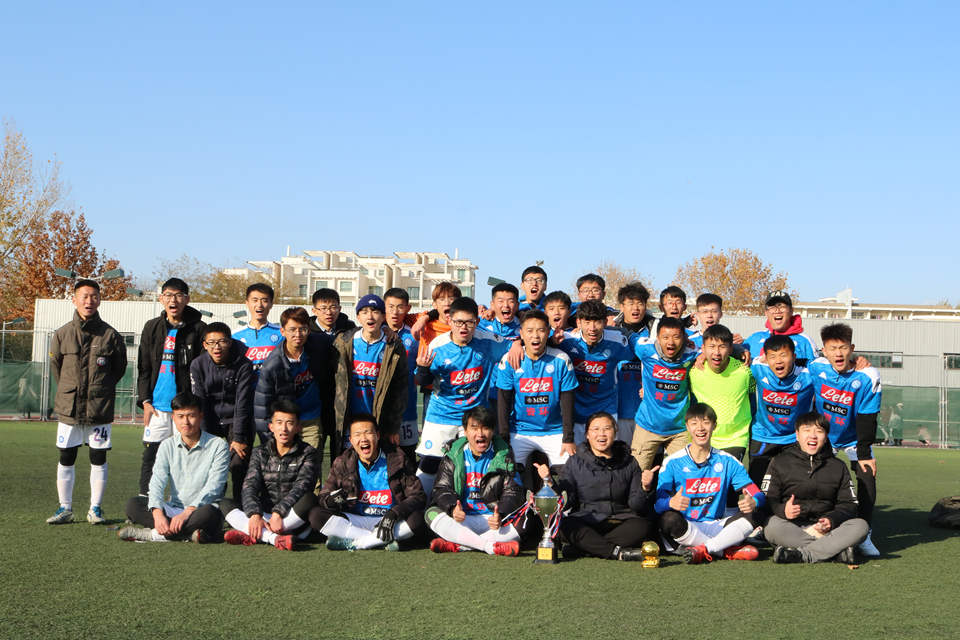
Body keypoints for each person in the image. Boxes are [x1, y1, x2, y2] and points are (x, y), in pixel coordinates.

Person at [46, 279, 128, 525]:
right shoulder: (62, 334)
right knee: (66, 457)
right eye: (84, 296)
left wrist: (99, 389)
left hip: (99, 408)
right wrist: (71, 390)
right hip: (69, 407)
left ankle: (95, 509)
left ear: (99, 300)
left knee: (98, 457)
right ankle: (65, 508)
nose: (89, 301)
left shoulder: (111, 335)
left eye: (94, 296)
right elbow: (57, 369)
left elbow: (119, 369)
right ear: (74, 299)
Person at [414, 297, 511, 495]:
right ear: (450, 321)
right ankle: (422, 507)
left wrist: (517, 345)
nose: (463, 327)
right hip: (442, 415)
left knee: (473, 466)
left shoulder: (488, 341)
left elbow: (515, 346)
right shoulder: (437, 346)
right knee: (430, 465)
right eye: (458, 322)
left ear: (477, 321)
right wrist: (422, 369)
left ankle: (470, 506)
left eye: (469, 322)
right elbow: (422, 380)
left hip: (474, 417)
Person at [654, 403, 765, 564]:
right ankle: (724, 550)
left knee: (757, 512)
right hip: (685, 526)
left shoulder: (727, 461)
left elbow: (758, 494)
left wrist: (754, 501)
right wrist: (670, 502)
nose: (700, 428)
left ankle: (706, 549)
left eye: (705, 422)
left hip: (717, 525)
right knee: (668, 518)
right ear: (687, 427)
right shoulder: (672, 462)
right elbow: (658, 505)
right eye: (694, 423)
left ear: (714, 425)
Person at [535, 412, 653, 561]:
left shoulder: (630, 462)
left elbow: (636, 507)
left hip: (620, 520)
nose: (601, 434)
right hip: (587, 519)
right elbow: (567, 503)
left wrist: (645, 487)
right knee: (566, 524)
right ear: (587, 435)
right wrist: (551, 482)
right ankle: (617, 552)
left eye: (607, 429)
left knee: (642, 526)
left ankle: (585, 549)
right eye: (596, 429)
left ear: (615, 432)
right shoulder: (574, 462)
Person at [807, 323, 882, 557]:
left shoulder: (868, 375)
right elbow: (791, 364)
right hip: (825, 437)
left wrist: (864, 454)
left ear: (852, 348)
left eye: (843, 347)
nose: (838, 353)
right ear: (824, 351)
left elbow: (868, 417)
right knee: (816, 477)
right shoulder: (815, 367)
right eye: (832, 348)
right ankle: (820, 525)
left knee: (866, 475)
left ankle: (865, 533)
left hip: (854, 438)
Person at [119, 392, 229, 543]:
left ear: (201, 416)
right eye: (180, 416)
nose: (186, 422)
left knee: (210, 513)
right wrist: (158, 514)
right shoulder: (167, 445)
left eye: (191, 416)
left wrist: (187, 512)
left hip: (200, 509)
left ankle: (153, 535)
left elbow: (214, 487)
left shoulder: (218, 446)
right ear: (173, 418)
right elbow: (157, 481)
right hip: (174, 508)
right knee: (133, 505)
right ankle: (189, 534)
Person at [763, 412, 869, 564]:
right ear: (797, 435)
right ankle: (834, 552)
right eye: (806, 430)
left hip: (827, 530)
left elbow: (850, 504)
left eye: (819, 431)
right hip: (792, 528)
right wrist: (783, 511)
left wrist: (831, 520)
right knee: (771, 525)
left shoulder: (838, 466)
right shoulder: (779, 462)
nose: (813, 436)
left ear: (826, 436)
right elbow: (767, 499)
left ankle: (802, 554)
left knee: (860, 526)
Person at [310, 413, 426, 551]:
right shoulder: (342, 462)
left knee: (417, 518)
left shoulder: (397, 459)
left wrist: (394, 513)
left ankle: (357, 543)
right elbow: (323, 496)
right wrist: (330, 501)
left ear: (377, 435)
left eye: (368, 433)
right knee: (315, 515)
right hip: (355, 519)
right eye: (357, 435)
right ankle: (380, 541)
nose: (363, 439)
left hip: (388, 520)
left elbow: (418, 495)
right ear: (351, 440)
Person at [137, 277, 207, 497]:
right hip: (157, 407)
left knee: (186, 457)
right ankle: (147, 501)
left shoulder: (199, 329)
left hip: (185, 409)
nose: (173, 300)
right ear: (161, 299)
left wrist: (196, 406)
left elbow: (202, 369)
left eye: (178, 295)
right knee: (151, 457)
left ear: (187, 299)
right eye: (168, 295)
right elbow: (144, 368)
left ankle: (182, 502)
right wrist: (145, 401)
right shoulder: (151, 327)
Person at [425, 407, 526, 556]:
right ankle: (489, 546)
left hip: (493, 520)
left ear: (493, 431)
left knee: (526, 519)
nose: (480, 434)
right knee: (431, 514)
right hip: (462, 519)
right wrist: (452, 508)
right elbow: (441, 488)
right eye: (474, 428)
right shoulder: (453, 454)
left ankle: (461, 545)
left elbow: (514, 491)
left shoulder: (504, 454)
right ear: (465, 431)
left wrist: (501, 513)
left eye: (485, 428)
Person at [220, 400, 318, 551]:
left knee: (310, 499)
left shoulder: (308, 453)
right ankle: (274, 538)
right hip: (265, 515)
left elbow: (302, 487)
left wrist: (278, 512)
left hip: (291, 519)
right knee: (225, 504)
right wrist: (255, 514)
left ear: (297, 428)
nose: (284, 428)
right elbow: (250, 485)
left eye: (289, 423)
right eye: (279, 423)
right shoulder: (260, 452)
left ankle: (256, 534)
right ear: (271, 427)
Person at [496, 310, 579, 475]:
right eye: (530, 330)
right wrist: (504, 439)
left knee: (568, 474)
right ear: (521, 333)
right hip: (519, 430)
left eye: (541, 330)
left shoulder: (562, 359)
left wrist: (568, 438)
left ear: (548, 332)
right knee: (506, 473)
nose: (535, 335)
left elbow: (568, 402)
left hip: (553, 430)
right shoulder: (510, 359)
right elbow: (504, 401)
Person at [254, 307, 333, 460]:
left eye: (302, 329)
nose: (298, 334)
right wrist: (269, 440)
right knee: (287, 466)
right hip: (286, 421)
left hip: (311, 418)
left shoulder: (317, 344)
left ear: (308, 330)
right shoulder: (272, 364)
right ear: (282, 331)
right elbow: (262, 405)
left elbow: (344, 339)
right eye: (292, 330)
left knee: (312, 465)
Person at [330, 295, 408, 450]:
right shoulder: (343, 342)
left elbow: (400, 390)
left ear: (383, 317)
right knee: (346, 462)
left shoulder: (394, 347)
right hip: (347, 420)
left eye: (375, 312)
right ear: (358, 317)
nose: (370, 316)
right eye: (364, 312)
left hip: (379, 422)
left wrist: (393, 427)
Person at [189, 322, 255, 501]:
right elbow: (199, 403)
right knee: (209, 466)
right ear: (205, 345)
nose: (216, 347)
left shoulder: (244, 364)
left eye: (222, 342)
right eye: (211, 343)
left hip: (236, 420)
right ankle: (209, 507)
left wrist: (239, 438)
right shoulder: (197, 365)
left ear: (230, 342)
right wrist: (202, 436)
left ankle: (240, 508)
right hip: (210, 420)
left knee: (239, 462)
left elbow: (242, 402)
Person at [554, 299, 635, 444]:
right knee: (577, 455)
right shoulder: (566, 340)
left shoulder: (617, 341)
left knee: (606, 454)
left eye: (597, 322)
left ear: (605, 322)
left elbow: (645, 356)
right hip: (575, 412)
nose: (592, 328)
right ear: (578, 323)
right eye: (587, 322)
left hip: (606, 408)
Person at [630, 317, 699, 470]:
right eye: (665, 337)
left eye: (676, 337)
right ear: (658, 338)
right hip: (647, 426)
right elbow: (627, 334)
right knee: (636, 474)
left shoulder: (692, 353)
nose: (671, 342)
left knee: (686, 474)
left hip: (679, 429)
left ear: (684, 338)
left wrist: (739, 350)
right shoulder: (646, 349)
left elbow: (717, 346)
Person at [748, 335, 815, 486]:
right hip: (763, 435)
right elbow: (734, 354)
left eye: (783, 355)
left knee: (793, 486)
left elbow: (830, 365)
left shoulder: (808, 374)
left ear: (794, 357)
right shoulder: (758, 368)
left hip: (794, 438)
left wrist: (857, 361)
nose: (778, 361)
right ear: (766, 358)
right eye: (772, 357)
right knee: (756, 487)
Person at [688, 325, 755, 461]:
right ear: (703, 348)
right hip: (703, 438)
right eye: (711, 346)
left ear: (730, 349)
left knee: (725, 474)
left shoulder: (745, 371)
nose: (717, 352)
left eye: (722, 347)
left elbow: (755, 396)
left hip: (735, 439)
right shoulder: (694, 372)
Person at [613, 283, 655, 447]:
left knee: (647, 459)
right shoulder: (611, 332)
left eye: (640, 303)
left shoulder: (655, 332)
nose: (635, 308)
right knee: (620, 457)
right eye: (631, 303)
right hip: (619, 411)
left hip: (648, 412)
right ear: (621, 306)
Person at [383, 287, 421, 462]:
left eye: (400, 307)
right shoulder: (376, 333)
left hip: (407, 409)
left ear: (407, 308)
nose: (395, 312)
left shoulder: (414, 336)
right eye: (390, 307)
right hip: (380, 408)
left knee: (408, 457)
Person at [478, 283, 522, 415]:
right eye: (501, 301)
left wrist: (519, 341)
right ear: (492, 305)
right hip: (488, 393)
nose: (506, 305)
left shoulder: (526, 326)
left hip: (517, 394)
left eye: (510, 301)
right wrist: (425, 317)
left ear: (518, 305)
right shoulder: (480, 325)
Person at [744, 291, 819, 367]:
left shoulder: (805, 341)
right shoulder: (754, 338)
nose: (777, 311)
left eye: (782, 307)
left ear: (791, 311)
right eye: (772, 308)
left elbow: (815, 370)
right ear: (766, 313)